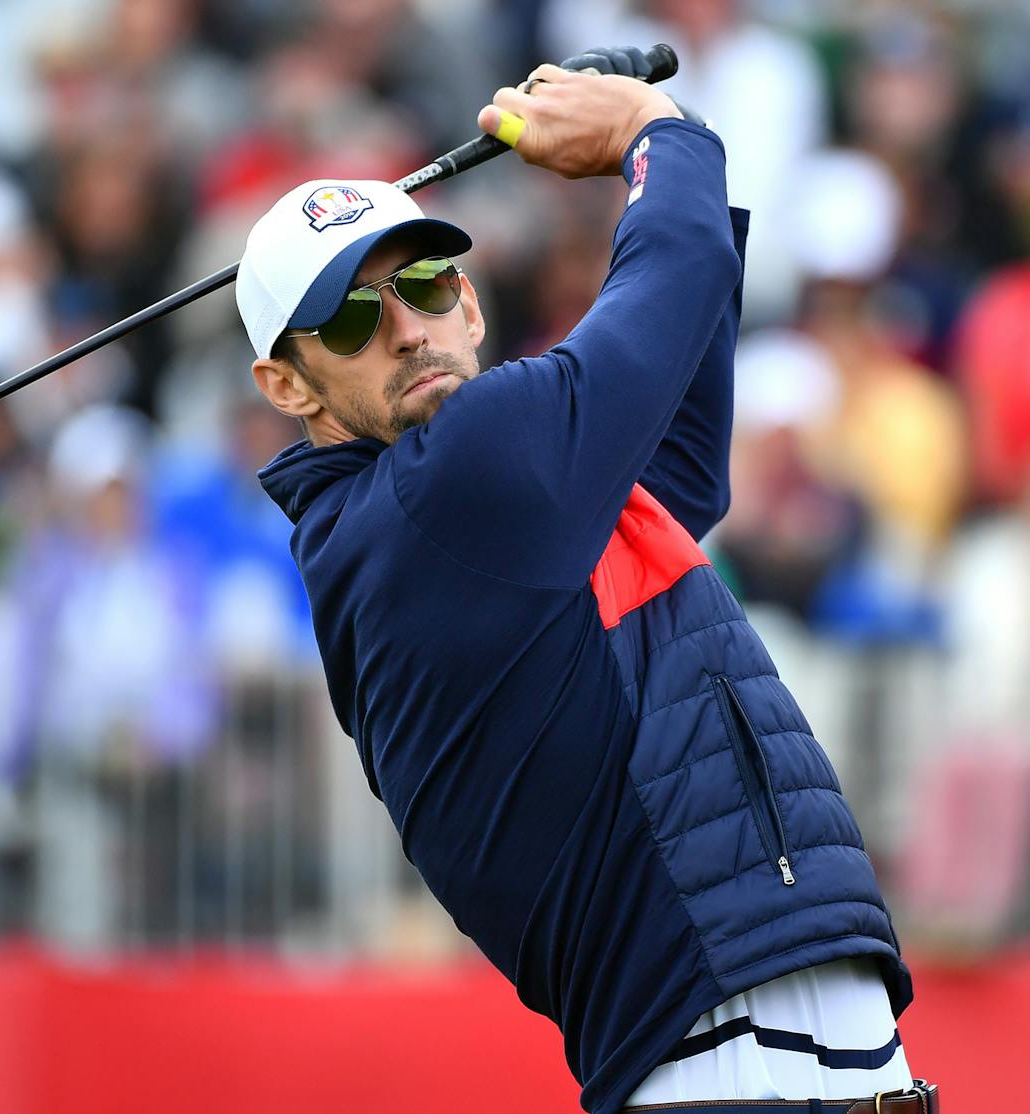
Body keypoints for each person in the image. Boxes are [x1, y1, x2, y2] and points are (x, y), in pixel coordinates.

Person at [236, 52, 938, 1114]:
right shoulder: (450, 481)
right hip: (726, 1077)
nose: (403, 327)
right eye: (346, 317)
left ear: (467, 304)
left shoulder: (489, 511)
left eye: (421, 285)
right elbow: (678, 266)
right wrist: (652, 134)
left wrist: (663, 140)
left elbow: (685, 449)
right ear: (285, 383)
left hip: (794, 1075)